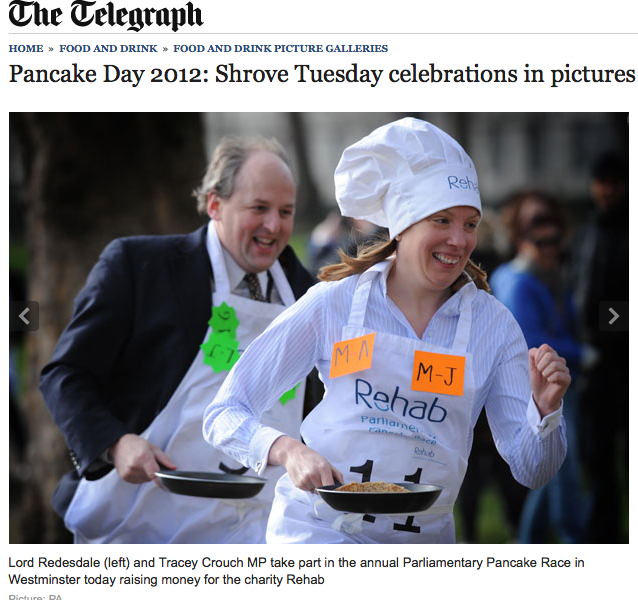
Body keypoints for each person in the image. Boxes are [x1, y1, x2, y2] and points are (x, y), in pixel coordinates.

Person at [204, 118, 570, 543]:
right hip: (318, 537)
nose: (459, 239)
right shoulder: (334, 302)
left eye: (470, 224)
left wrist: (545, 412)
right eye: (442, 220)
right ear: (403, 226)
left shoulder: (493, 326)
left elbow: (532, 470)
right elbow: (225, 413)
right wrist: (288, 450)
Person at [40, 135, 318, 543]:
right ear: (215, 204)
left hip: (258, 528)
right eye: (259, 208)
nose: (274, 226)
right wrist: (115, 443)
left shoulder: (310, 294)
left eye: (286, 211)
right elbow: (65, 374)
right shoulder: (140, 267)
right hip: (140, 521)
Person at [491, 194, 591, 543]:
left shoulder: (540, 274)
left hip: (553, 386)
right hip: (538, 390)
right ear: (520, 237)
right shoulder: (519, 281)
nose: (549, 246)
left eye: (554, 239)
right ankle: (570, 542)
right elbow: (533, 341)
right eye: (539, 238)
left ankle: (530, 545)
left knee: (548, 472)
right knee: (559, 472)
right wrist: (587, 353)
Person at [572, 153, 629, 542]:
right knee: (596, 461)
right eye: (601, 181)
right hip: (591, 368)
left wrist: (606, 327)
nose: (606, 190)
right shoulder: (587, 230)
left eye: (614, 182)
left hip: (620, 363)